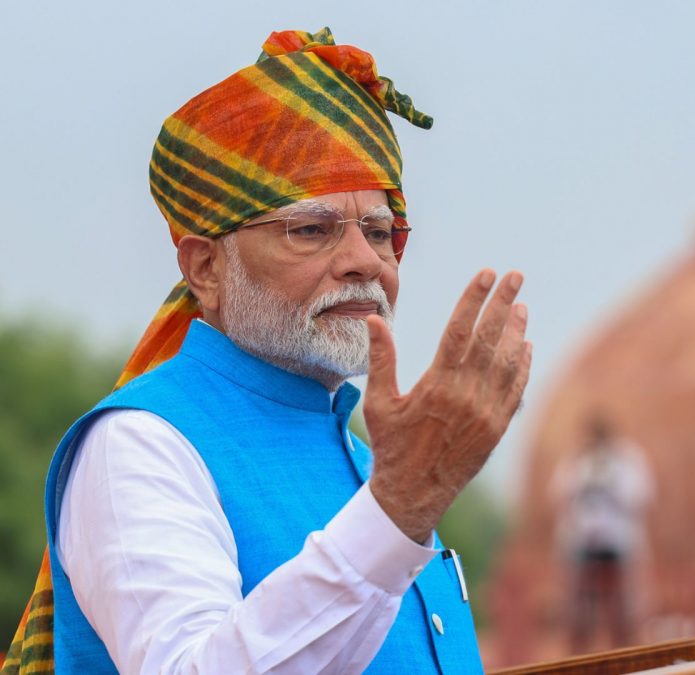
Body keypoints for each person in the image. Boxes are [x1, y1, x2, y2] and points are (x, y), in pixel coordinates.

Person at [2, 28, 530, 674]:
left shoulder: (366, 459)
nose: (365, 261)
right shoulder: (138, 446)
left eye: (380, 229)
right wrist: (400, 508)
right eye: (311, 229)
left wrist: (399, 499)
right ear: (205, 269)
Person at [550, 416, 654, 653]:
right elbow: (558, 494)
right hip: (583, 545)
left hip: (618, 545)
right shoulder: (576, 461)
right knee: (581, 614)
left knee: (621, 611)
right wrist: (586, 483)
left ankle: (625, 656)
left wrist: (609, 485)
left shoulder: (627, 460)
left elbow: (640, 496)